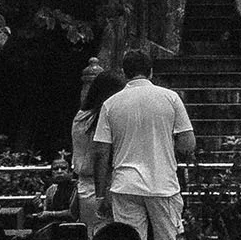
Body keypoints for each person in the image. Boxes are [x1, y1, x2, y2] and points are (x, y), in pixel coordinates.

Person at [91, 48, 196, 240]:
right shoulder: (171, 98)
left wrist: (100, 194)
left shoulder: (111, 104)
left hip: (125, 184)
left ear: (124, 73)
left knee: (129, 236)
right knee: (168, 236)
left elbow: (100, 151)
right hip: (162, 183)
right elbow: (187, 144)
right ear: (151, 71)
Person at [73, 71, 126, 233]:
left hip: (84, 184)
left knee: (92, 232)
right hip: (103, 183)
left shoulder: (80, 117)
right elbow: (101, 155)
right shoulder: (102, 119)